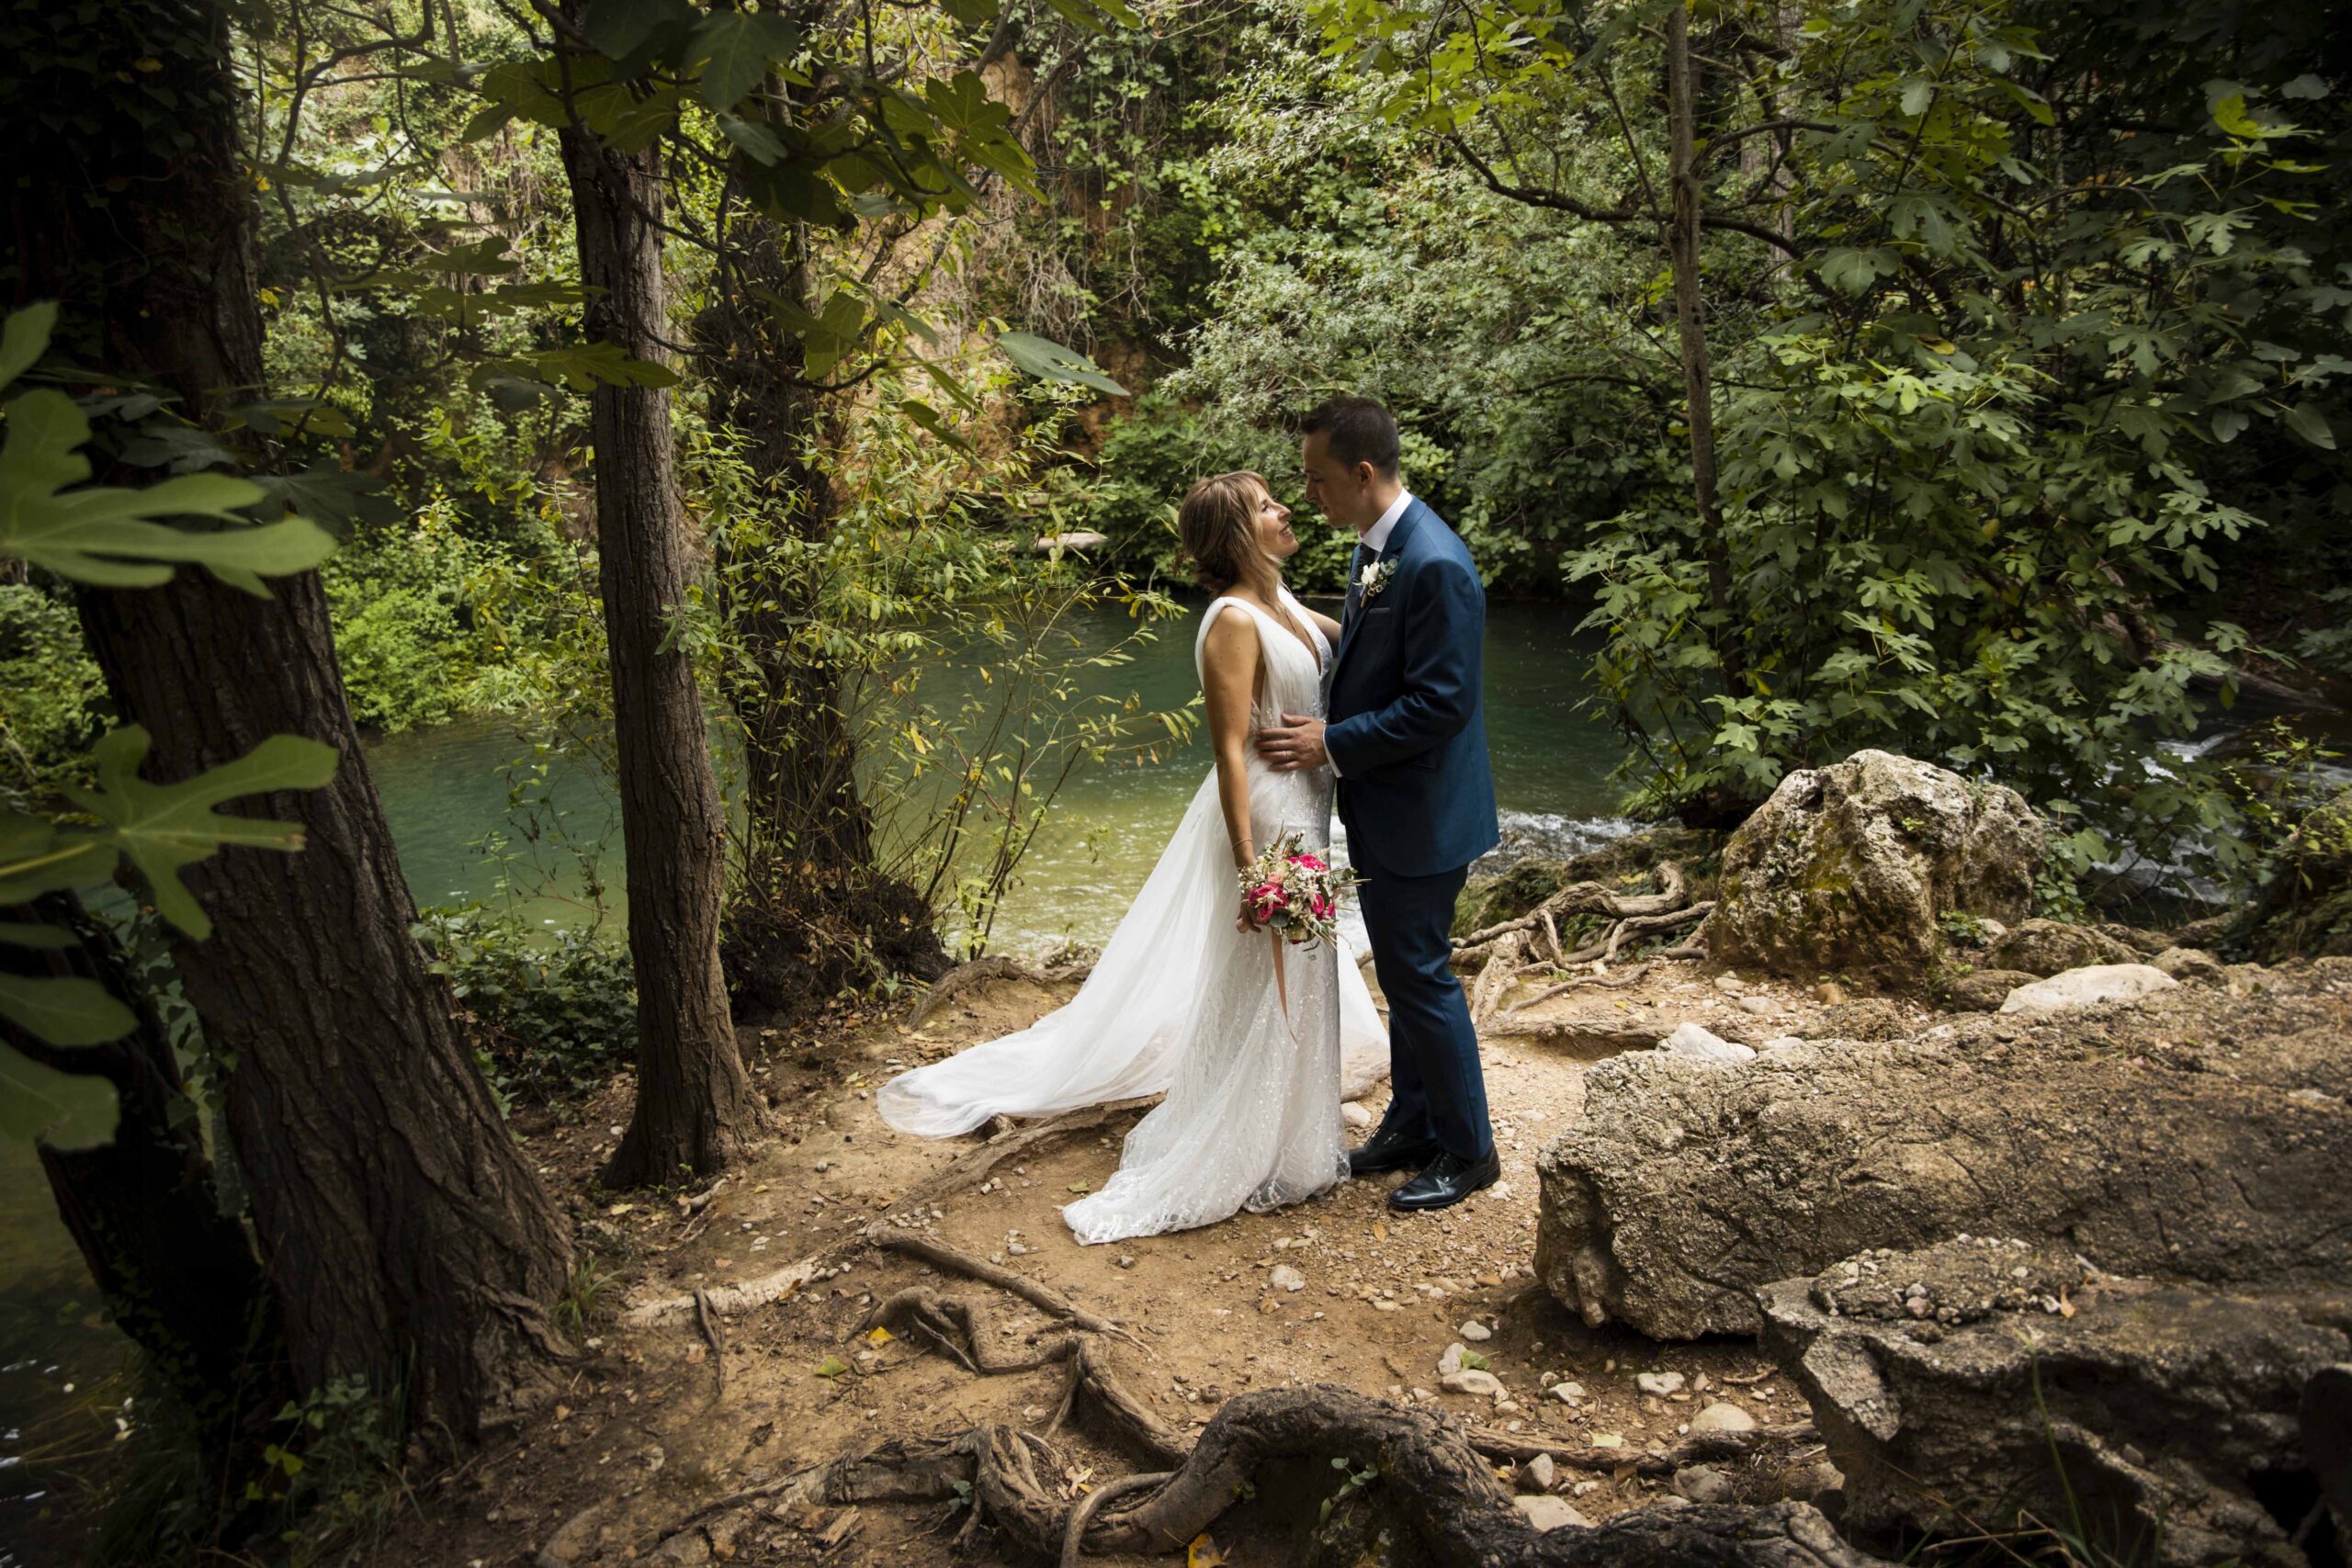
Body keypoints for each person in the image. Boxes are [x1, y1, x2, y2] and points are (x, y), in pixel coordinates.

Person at [876, 471, 1385, 1244]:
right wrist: (1251, 867)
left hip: (1311, 809)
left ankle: (1295, 1141)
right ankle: (1240, 1146)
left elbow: (1361, 641)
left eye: (1280, 499)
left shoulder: (1282, 604)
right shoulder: (1232, 623)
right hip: (1270, 818)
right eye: (1266, 506)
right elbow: (1228, 752)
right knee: (1264, 987)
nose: (1285, 511)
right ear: (1237, 535)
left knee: (1303, 981)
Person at [1258, 396, 1501, 1211]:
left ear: (1363, 474)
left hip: (1425, 815)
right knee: (1403, 972)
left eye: (1318, 480)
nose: (1309, 496)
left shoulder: (1432, 562)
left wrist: (1331, 741)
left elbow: (1442, 704)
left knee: (1423, 975)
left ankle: (1470, 1150)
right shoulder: (1379, 548)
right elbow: (1369, 657)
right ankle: (1411, 1121)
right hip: (1395, 808)